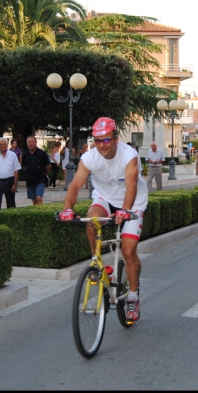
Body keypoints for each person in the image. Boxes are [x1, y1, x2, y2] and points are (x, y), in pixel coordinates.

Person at [59, 117, 148, 323]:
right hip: (105, 198)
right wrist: (67, 209)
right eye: (97, 140)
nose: (102, 145)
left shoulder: (129, 155)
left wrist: (125, 211)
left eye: (106, 140)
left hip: (132, 203)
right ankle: (96, 263)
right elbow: (74, 185)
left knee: (128, 250)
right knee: (92, 220)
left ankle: (133, 298)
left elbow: (132, 187)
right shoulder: (90, 157)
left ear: (116, 139)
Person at [0, 137, 21, 210]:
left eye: (4, 144)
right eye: (0, 144)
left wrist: (15, 184)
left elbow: (16, 170)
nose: (2, 146)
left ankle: (11, 219)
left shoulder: (13, 155)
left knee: (10, 202)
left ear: (7, 144)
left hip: (9, 181)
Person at [22, 135, 50, 205]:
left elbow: (48, 166)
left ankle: (42, 213)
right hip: (30, 180)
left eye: (32, 142)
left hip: (40, 179)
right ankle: (36, 213)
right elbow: (24, 166)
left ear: (36, 142)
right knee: (34, 200)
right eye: (29, 142)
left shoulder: (42, 153)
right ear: (27, 143)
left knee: (39, 198)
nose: (30, 144)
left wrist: (44, 173)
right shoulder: (25, 154)